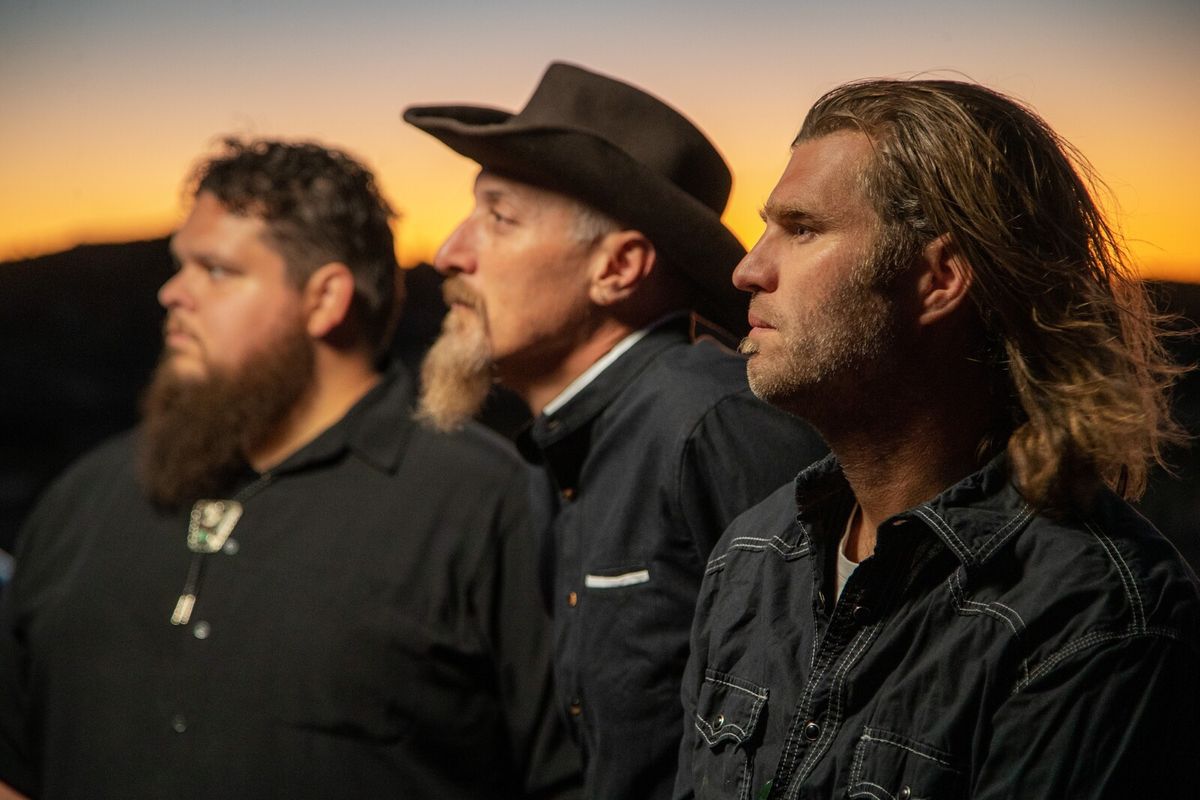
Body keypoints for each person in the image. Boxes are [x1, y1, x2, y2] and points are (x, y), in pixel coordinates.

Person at [0, 138, 581, 799]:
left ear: (324, 298)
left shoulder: (487, 506)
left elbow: (571, 776)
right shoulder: (86, 496)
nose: (172, 293)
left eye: (216, 271)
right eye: (180, 266)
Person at [674, 79, 1200, 799]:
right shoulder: (752, 554)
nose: (748, 269)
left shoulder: (1096, 614)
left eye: (802, 229)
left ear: (939, 278)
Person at [403, 62, 827, 800]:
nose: (449, 253)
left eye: (499, 218)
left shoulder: (708, 422)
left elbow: (823, 725)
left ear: (619, 267)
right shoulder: (564, 447)